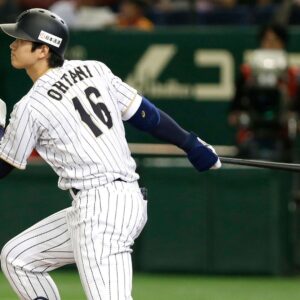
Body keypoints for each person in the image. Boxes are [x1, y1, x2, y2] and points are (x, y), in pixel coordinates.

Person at [0, 8, 221, 300]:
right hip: (115, 200)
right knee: (18, 257)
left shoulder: (31, 105)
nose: (12, 44)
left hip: (101, 209)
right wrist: (190, 144)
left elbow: (4, 166)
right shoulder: (93, 69)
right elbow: (145, 115)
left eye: (20, 39)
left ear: (43, 49)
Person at [228, 22, 299, 161]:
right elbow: (235, 109)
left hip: (282, 135)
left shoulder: (293, 75)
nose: (270, 45)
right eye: (266, 40)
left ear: (283, 43)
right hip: (251, 133)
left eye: (275, 41)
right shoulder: (247, 73)